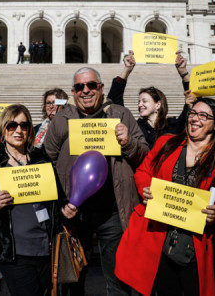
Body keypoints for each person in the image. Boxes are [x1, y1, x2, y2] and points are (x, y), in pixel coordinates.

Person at [115, 97, 215, 296]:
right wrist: (146, 188)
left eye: (204, 115)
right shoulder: (166, 142)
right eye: (193, 113)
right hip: (156, 237)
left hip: (191, 244)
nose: (195, 118)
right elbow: (143, 172)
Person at [44, 67, 148, 295]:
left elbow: (144, 155)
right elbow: (46, 161)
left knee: (117, 280)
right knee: (73, 280)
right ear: (73, 91)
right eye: (80, 87)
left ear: (101, 88)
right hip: (75, 214)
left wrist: (129, 142)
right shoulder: (63, 119)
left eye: (91, 85)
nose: (86, 91)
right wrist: (62, 203)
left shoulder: (120, 114)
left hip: (113, 213)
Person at [0, 104, 77, 296]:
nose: (19, 130)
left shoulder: (41, 158)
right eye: (12, 125)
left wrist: (66, 211)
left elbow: (57, 200)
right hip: (14, 253)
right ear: (2, 127)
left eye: (24, 125)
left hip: (46, 248)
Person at [107, 50, 195, 149]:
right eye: (139, 102)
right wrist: (127, 70)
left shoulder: (173, 126)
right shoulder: (135, 127)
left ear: (158, 104)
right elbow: (114, 102)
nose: (140, 105)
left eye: (144, 101)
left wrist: (183, 72)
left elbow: (193, 99)